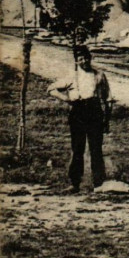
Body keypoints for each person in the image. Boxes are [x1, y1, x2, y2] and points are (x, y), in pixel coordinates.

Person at [48, 46, 112, 193]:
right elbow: (51, 89)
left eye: (86, 57)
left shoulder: (99, 75)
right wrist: (67, 99)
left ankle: (98, 184)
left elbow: (108, 99)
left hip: (95, 112)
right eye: (80, 59)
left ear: (90, 57)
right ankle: (75, 183)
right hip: (78, 113)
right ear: (76, 61)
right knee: (78, 149)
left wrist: (107, 120)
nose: (84, 61)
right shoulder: (72, 76)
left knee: (96, 149)